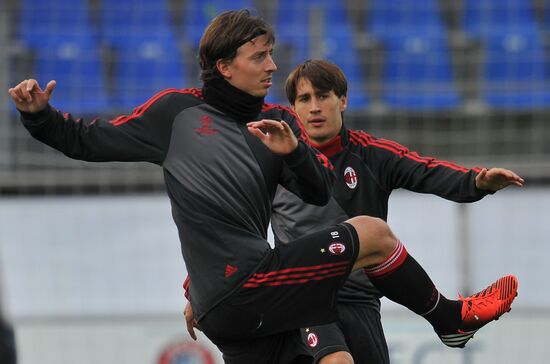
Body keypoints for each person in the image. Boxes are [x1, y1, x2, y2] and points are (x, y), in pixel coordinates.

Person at [10, 10, 518, 364]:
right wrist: (39, 116)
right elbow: (85, 140)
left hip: (242, 306)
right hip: (243, 285)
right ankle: (448, 318)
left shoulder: (280, 121)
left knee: (335, 356)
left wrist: (294, 153)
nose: (273, 66)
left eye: (272, 54)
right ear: (225, 65)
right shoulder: (176, 114)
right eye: (260, 56)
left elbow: (318, 193)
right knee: (374, 233)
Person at [267, 59, 525, 363]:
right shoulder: (274, 161)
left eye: (323, 96)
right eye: (304, 99)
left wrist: (477, 182)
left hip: (361, 302)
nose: (314, 107)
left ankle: (449, 319)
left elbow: (426, 171)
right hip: (303, 298)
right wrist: (201, 289)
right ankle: (449, 318)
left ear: (343, 100)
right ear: (293, 108)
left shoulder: (372, 155)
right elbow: (236, 222)